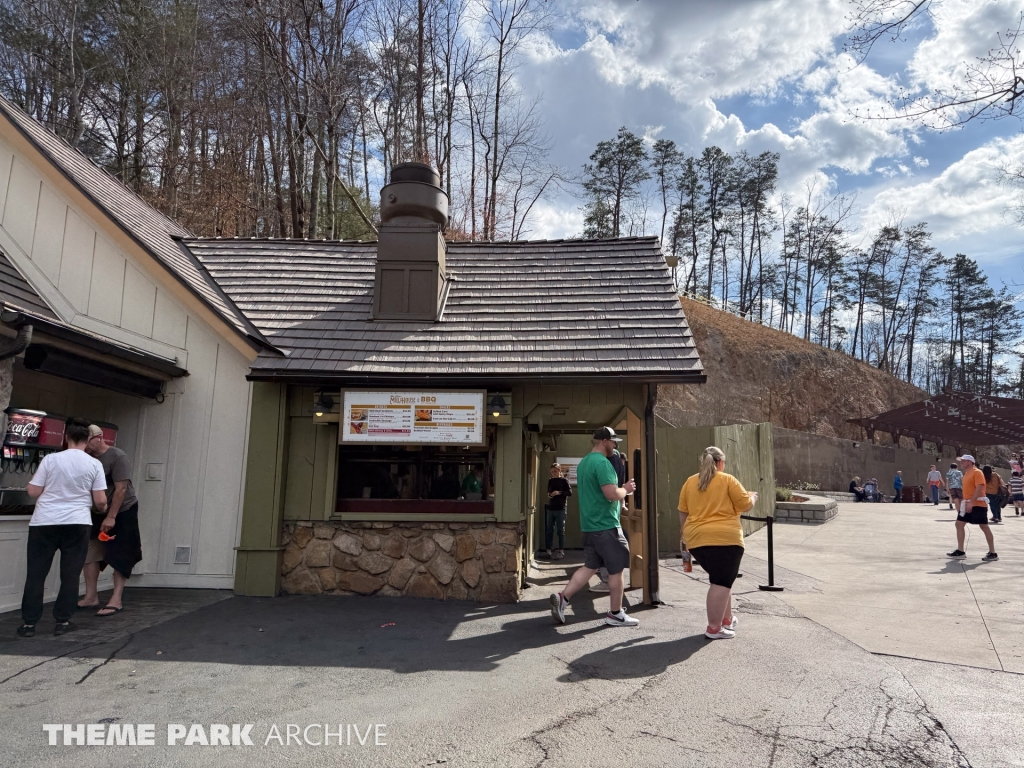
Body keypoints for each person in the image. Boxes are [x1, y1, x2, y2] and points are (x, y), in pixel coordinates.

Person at [17, 418, 107, 637]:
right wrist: (101, 511)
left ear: (66, 439)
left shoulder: (50, 460)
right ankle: (63, 621)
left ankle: (29, 623)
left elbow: (33, 492)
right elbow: (101, 500)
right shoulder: (94, 464)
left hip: (44, 522)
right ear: (87, 441)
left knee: (36, 573)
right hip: (77, 522)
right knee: (70, 573)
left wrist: (32, 485)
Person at [550, 427, 638, 627]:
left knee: (590, 565)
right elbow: (610, 494)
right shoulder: (603, 464)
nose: (615, 446)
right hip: (606, 525)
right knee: (616, 570)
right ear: (605, 441)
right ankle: (616, 613)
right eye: (614, 442)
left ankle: (563, 597)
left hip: (590, 525)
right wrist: (626, 489)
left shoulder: (584, 464)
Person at [677, 446, 757, 640]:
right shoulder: (727, 479)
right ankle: (714, 627)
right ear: (720, 463)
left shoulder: (690, 482)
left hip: (697, 539)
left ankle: (726, 619)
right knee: (720, 582)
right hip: (725, 539)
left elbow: (682, 511)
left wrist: (684, 535)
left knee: (722, 579)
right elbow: (745, 505)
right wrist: (752, 497)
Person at [79, 424, 142, 616]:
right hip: (97, 510)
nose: (85, 445)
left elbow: (121, 489)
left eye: (87, 441)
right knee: (90, 550)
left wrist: (112, 517)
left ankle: (116, 598)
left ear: (98, 437)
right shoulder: (86, 458)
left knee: (121, 551)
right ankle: (91, 596)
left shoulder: (117, 456)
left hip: (123, 509)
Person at [591, 447, 628, 594]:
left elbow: (612, 490)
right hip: (612, 508)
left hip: (606, 511)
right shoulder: (616, 462)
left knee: (607, 546)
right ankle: (616, 610)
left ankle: (607, 580)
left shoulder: (606, 462)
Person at [947, 455, 997, 561]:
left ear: (970, 462)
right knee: (959, 523)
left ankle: (993, 552)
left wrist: (972, 502)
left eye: (963, 461)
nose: (961, 463)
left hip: (978, 504)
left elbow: (979, 487)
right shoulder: (966, 474)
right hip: (967, 503)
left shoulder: (977, 472)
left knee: (984, 526)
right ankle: (960, 551)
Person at [543, 463, 572, 560]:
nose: (553, 473)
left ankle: (561, 551)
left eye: (555, 471)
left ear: (559, 470)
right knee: (549, 530)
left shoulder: (564, 480)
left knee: (560, 530)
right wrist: (550, 495)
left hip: (561, 508)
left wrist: (559, 493)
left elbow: (569, 492)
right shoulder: (550, 481)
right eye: (551, 472)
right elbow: (548, 492)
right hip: (551, 508)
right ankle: (548, 551)